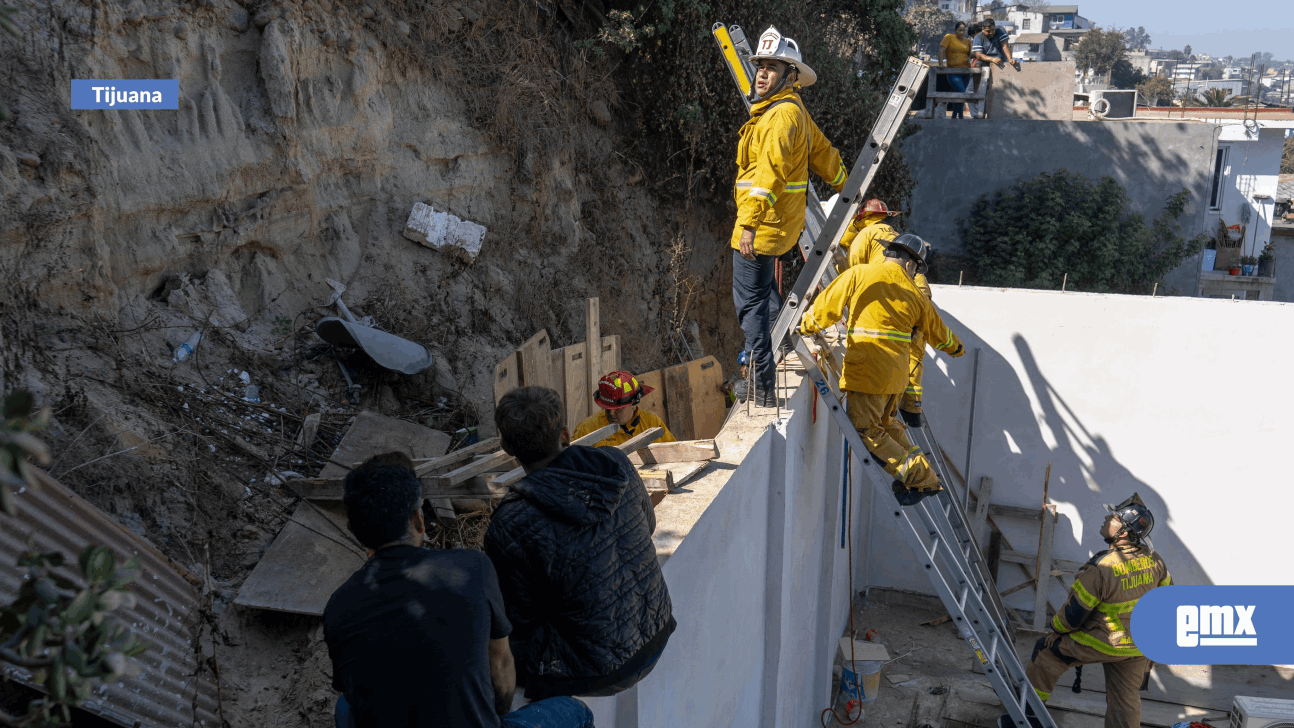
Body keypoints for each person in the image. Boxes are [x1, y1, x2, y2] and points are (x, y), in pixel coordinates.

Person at [323, 453, 594, 728]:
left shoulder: (337, 607)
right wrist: (497, 714)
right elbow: (500, 665)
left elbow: (354, 694)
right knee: (576, 711)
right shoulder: (470, 567)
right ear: (418, 520)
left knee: (344, 707)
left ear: (355, 530)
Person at [485, 387, 677, 701]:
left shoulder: (510, 523)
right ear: (564, 433)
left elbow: (518, 620)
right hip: (657, 632)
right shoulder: (615, 464)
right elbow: (648, 525)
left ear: (506, 446)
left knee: (482, 636)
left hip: (597, 673)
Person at [730, 25, 851, 408]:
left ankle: (761, 389)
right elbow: (824, 154)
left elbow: (768, 175)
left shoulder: (780, 117)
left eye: (772, 66)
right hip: (778, 228)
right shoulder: (791, 110)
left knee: (750, 309)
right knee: (764, 298)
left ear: (790, 76)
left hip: (760, 229)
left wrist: (748, 223)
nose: (762, 73)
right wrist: (849, 189)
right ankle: (770, 358)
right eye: (760, 65)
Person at [798, 234, 963, 505]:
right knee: (886, 425)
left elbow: (827, 306)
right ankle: (927, 477)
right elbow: (939, 333)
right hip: (895, 379)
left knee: (868, 431)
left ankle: (919, 478)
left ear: (891, 253)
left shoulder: (858, 274)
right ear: (911, 264)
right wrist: (956, 348)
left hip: (868, 373)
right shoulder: (915, 294)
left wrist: (807, 325)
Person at [1003, 494, 1171, 728]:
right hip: (1140, 645)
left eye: (1112, 517)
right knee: (1125, 698)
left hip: (1107, 640)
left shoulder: (1102, 567)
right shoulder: (1155, 560)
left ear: (1122, 532)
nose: (1106, 518)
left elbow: (1074, 614)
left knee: (1046, 653)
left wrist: (1056, 631)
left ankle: (1024, 716)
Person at [571, 370, 676, 447]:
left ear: (634, 403)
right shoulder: (587, 430)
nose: (611, 413)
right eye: (607, 408)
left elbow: (675, 453)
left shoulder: (651, 422)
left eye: (618, 409)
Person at [898, 236, 934, 428]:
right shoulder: (916, 277)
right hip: (912, 332)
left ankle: (911, 410)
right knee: (912, 367)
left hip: (912, 331)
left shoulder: (915, 276)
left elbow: (922, 300)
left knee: (911, 366)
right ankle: (911, 410)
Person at [839, 198, 900, 269]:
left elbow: (852, 262)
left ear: (864, 217)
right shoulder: (898, 236)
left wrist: (837, 269)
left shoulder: (869, 231)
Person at [938, 22, 973, 119]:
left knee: (959, 94)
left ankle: (955, 115)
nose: (962, 32)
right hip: (953, 71)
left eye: (963, 30)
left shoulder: (968, 41)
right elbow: (941, 51)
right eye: (959, 30)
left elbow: (970, 55)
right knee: (961, 92)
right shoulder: (949, 37)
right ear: (955, 30)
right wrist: (941, 64)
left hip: (966, 71)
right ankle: (959, 115)